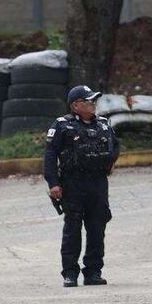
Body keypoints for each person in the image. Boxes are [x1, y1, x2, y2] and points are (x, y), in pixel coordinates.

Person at [44, 86, 120, 287]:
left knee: (97, 228)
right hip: (73, 184)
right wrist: (53, 183)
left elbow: (115, 146)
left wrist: (111, 163)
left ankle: (93, 272)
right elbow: (50, 155)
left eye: (94, 101)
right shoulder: (62, 126)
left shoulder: (104, 124)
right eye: (88, 101)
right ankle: (70, 273)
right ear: (76, 105)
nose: (93, 104)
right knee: (73, 229)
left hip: (97, 184)